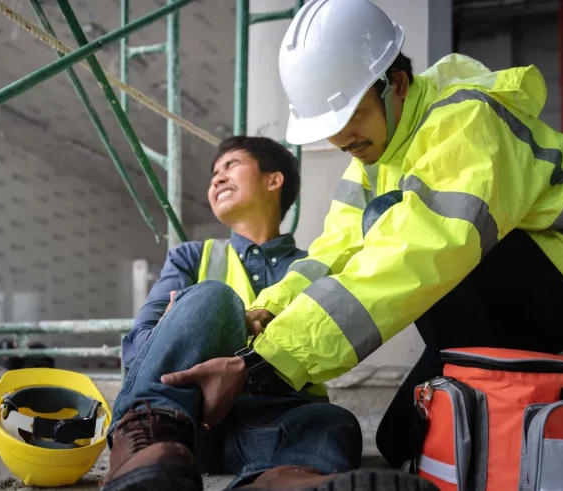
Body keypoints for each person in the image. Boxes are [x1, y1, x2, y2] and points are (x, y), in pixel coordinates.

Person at [171, 0, 563, 472]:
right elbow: (334, 253)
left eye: (349, 115)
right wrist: (267, 311)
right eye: (330, 126)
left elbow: (419, 253)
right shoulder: (374, 157)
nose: (341, 138)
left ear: (394, 84)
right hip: (494, 278)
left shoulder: (466, 121)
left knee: (387, 221)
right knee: (400, 440)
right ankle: (509, 392)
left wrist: (269, 362)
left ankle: (533, 390)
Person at [105, 136, 433, 491]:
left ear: (274, 180)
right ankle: (143, 449)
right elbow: (139, 345)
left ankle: (284, 479)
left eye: (230, 165)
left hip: (270, 426)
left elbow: (331, 339)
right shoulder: (191, 257)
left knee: (330, 419)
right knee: (215, 298)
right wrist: (178, 328)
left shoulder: (319, 268)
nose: (216, 178)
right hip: (182, 424)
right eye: (214, 172)